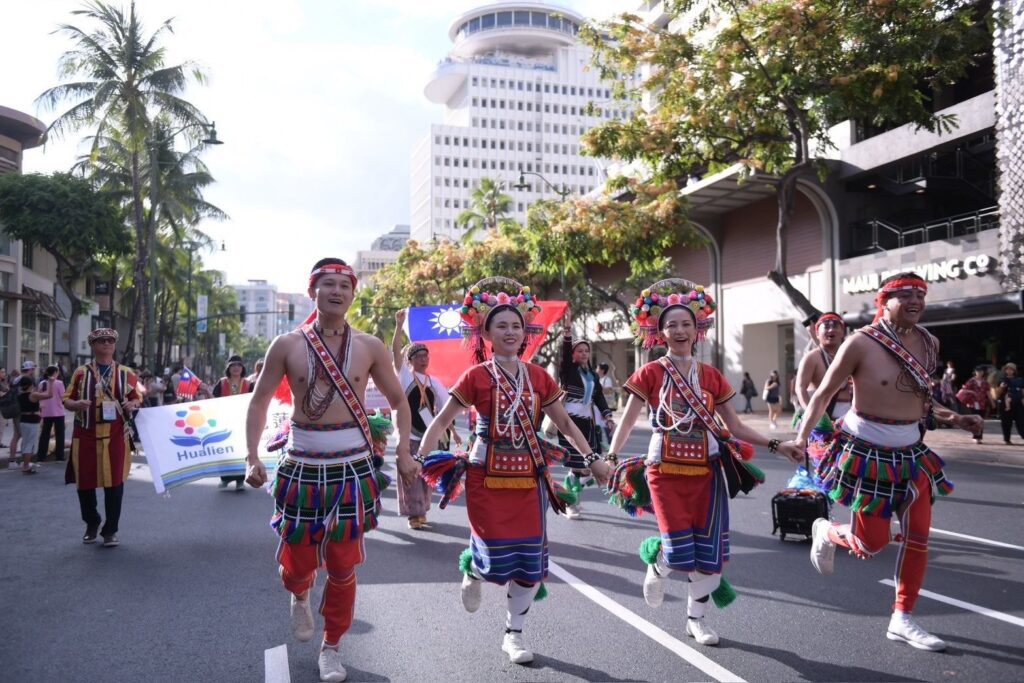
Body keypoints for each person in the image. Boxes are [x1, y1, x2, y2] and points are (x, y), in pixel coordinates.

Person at [417, 277, 611, 665]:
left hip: (529, 477)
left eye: (516, 326)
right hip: (484, 476)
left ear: (526, 333)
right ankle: (474, 566)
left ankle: (514, 633)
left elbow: (567, 426)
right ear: (485, 332)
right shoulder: (475, 377)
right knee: (494, 558)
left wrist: (593, 459)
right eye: (501, 325)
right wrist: (418, 460)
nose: (510, 331)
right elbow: (440, 421)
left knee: (528, 563)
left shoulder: (539, 376)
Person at [785, 272, 983, 652]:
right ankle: (826, 531)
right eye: (905, 295)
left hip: (912, 454)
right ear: (884, 301)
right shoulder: (860, 342)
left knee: (918, 537)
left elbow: (922, 398)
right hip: (866, 452)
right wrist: (799, 437)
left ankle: (902, 617)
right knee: (869, 543)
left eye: (921, 295)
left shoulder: (928, 343)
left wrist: (956, 418)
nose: (916, 301)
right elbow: (822, 394)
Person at [244, 258, 415, 683]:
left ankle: (333, 647)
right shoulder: (286, 345)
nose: (337, 291)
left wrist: (406, 451)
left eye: (344, 285)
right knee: (299, 562)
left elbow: (399, 401)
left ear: (353, 293)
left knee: (343, 565)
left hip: (353, 468)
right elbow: (259, 401)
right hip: (302, 465)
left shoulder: (371, 346)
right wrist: (251, 456)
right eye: (328, 284)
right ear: (313, 292)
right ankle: (299, 592)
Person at [605, 280, 802, 647]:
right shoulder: (650, 373)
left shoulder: (711, 376)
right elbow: (629, 419)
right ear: (660, 331)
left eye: (686, 324)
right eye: (672, 325)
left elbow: (737, 426)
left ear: (698, 330)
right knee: (680, 550)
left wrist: (778, 444)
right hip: (663, 470)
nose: (680, 331)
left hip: (707, 473)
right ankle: (658, 561)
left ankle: (696, 620)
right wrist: (611, 457)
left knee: (709, 558)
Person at [63, 328, 142, 547]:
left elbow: (137, 398)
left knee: (114, 484)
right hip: (85, 434)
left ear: (114, 346)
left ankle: (110, 530)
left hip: (115, 435)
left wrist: (131, 404)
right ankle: (92, 522)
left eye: (109, 341)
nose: (106, 344)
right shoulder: (81, 372)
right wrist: (75, 404)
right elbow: (66, 399)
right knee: (85, 484)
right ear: (93, 346)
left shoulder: (126, 373)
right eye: (101, 341)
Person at [390, 308, 460, 529]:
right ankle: (414, 514)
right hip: (409, 434)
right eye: (419, 356)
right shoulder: (404, 376)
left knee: (427, 474)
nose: (424, 359)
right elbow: (394, 352)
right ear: (410, 359)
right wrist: (399, 327)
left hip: (429, 437)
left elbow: (445, 408)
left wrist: (455, 432)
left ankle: (422, 508)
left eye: (426, 356)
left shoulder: (434, 382)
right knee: (411, 473)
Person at [557, 310, 615, 519]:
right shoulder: (568, 372)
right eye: (579, 351)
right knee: (580, 468)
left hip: (588, 424)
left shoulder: (592, 376)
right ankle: (571, 505)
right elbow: (564, 351)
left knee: (586, 469)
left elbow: (598, 398)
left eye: (586, 351)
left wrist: (608, 417)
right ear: (573, 354)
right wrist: (567, 330)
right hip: (570, 424)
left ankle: (569, 491)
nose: (583, 354)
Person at [212, 355, 254, 490]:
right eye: (233, 365)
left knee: (241, 451)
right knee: (225, 451)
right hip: (224, 422)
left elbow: (254, 402)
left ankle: (240, 480)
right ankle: (224, 479)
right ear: (228, 368)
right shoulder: (222, 382)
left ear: (242, 368)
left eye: (238, 365)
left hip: (242, 422)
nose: (236, 368)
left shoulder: (249, 384)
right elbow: (213, 400)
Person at [16, 375, 51, 474]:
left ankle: (25, 464)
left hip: (23, 421)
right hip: (32, 422)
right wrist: (51, 383)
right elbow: (49, 395)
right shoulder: (33, 395)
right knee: (30, 444)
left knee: (25, 442)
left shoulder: (20, 395)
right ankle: (26, 466)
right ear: (31, 384)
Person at [37, 365, 67, 463]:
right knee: (60, 434)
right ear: (55, 373)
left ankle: (41, 456)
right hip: (58, 411)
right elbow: (63, 396)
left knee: (44, 434)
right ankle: (59, 456)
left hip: (46, 412)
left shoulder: (42, 383)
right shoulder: (59, 383)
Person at [956, 365, 991, 443]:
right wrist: (972, 392)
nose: (979, 373)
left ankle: (980, 436)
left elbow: (988, 393)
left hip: (982, 403)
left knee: (981, 420)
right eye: (978, 371)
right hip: (973, 403)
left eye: (981, 371)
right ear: (975, 372)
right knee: (974, 420)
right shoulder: (971, 381)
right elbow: (964, 389)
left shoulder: (985, 382)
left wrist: (992, 401)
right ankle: (975, 436)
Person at [997, 362, 1024, 445]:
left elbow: (1023, 391)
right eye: (1007, 369)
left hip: (1018, 403)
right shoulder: (1002, 380)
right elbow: (997, 393)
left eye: (1011, 369)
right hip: (1005, 404)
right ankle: (1007, 439)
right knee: (1006, 422)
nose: (1009, 371)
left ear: (1014, 370)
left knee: (1021, 421)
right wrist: (1001, 387)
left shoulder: (1020, 380)